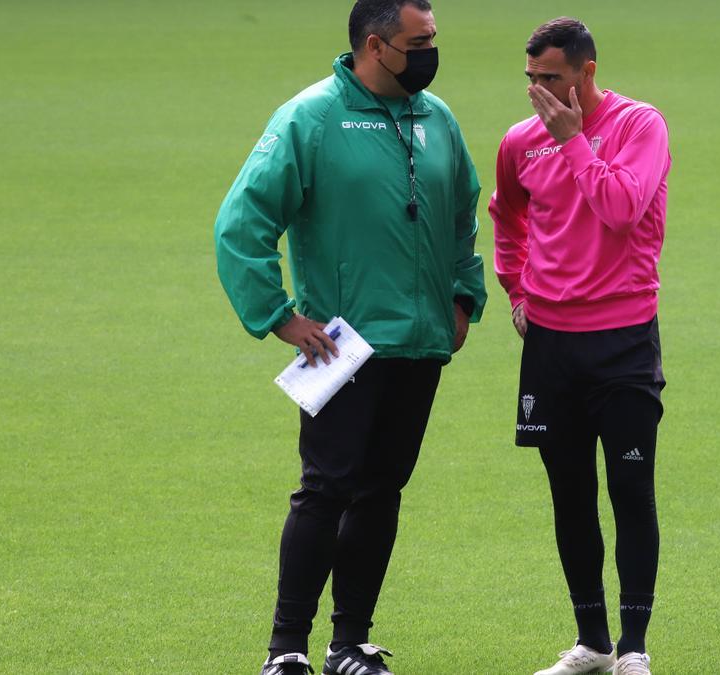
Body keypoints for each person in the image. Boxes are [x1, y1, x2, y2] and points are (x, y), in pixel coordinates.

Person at [213, 1, 485, 673]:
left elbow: (461, 216)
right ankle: (286, 651)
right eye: (417, 41)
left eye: (433, 40)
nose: (430, 52)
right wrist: (279, 314)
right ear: (375, 44)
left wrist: (463, 296)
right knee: (325, 490)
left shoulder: (438, 118)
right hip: (341, 347)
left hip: (421, 344)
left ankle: (350, 644)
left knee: (381, 491)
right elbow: (240, 223)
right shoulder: (311, 118)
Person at [489, 17, 671, 675]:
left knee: (629, 485)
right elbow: (506, 217)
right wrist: (515, 288)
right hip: (551, 346)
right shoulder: (519, 142)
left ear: (586, 72)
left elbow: (621, 207)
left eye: (552, 79)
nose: (539, 93)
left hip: (622, 339)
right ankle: (592, 642)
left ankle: (635, 647)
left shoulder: (639, 125)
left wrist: (572, 142)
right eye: (532, 79)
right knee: (569, 492)